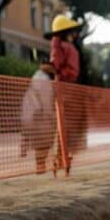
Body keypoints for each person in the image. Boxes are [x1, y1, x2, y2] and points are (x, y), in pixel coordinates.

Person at [46, 15, 84, 166]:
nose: (75, 34)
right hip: (66, 91)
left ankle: (61, 157)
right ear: (66, 33)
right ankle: (61, 157)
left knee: (62, 125)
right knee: (64, 125)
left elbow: (57, 66)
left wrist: (54, 70)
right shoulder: (66, 47)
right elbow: (65, 69)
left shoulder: (61, 47)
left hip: (63, 91)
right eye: (72, 31)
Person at [20, 60, 57, 173]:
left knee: (40, 140)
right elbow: (45, 99)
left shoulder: (38, 77)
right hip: (40, 115)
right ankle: (40, 165)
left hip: (33, 114)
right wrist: (51, 115)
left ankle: (39, 162)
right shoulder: (42, 78)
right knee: (43, 141)